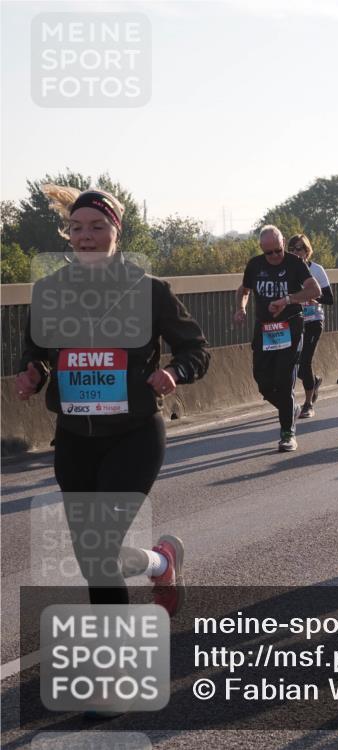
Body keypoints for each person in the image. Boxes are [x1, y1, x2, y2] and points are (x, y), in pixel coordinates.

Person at [16, 185, 209, 618]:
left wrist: (174, 372)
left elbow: (196, 350)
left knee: (101, 549)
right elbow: (36, 352)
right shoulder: (48, 292)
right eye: (76, 228)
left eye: (97, 227)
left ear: (116, 231)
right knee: (95, 560)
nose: (85, 236)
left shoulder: (150, 290)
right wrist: (33, 374)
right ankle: (161, 563)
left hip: (134, 436)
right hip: (73, 439)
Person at [235, 226, 321, 451]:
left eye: (278, 250)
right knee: (262, 380)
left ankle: (287, 433)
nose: (274, 256)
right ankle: (289, 407)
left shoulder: (295, 263)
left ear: (283, 245)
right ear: (262, 250)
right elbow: (244, 290)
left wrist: (288, 300)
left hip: (290, 327)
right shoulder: (255, 265)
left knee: (284, 380)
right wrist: (240, 309)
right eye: (269, 252)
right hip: (264, 330)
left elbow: (315, 291)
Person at [288, 234, 333, 419]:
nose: (295, 253)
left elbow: (330, 299)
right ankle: (314, 381)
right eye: (291, 249)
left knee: (305, 362)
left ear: (307, 251)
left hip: (313, 320)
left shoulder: (317, 269)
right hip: (294, 320)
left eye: (299, 249)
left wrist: (315, 298)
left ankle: (308, 403)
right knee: (293, 364)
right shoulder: (286, 271)